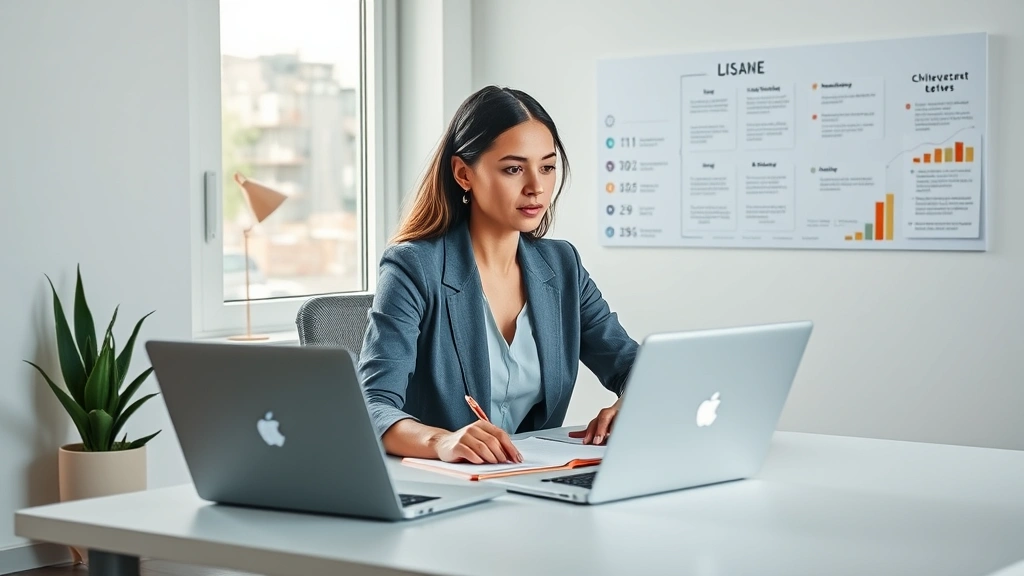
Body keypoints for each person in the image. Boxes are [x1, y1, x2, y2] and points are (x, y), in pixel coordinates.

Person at [358, 85, 638, 465]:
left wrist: (632, 400)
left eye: (547, 166)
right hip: (445, 486)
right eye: (513, 169)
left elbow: (630, 363)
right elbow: (374, 404)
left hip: (534, 480)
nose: (536, 187)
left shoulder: (562, 266)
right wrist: (441, 441)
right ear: (463, 174)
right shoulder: (413, 267)